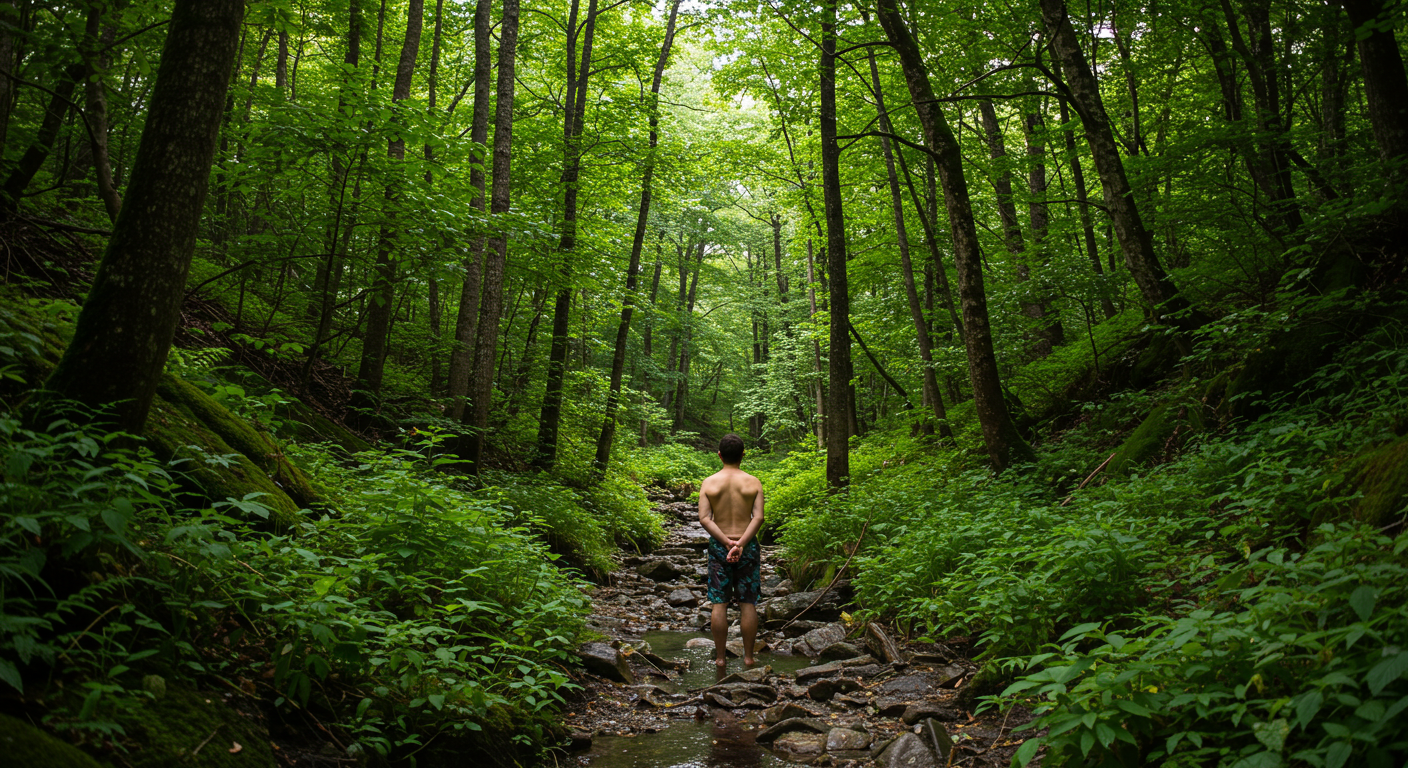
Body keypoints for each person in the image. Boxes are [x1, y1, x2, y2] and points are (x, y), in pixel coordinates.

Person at [697, 433, 765, 669]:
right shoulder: (754, 482)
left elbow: (704, 518)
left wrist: (726, 543)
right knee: (747, 602)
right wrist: (740, 544)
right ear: (743, 455)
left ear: (719, 455)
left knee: (719, 602)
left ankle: (720, 659)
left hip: (719, 545)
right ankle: (748, 657)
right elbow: (759, 517)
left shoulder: (709, 483)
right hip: (747, 546)